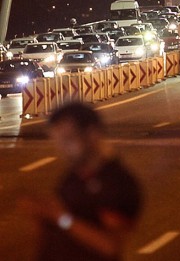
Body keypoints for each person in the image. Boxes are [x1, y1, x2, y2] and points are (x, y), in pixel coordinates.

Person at [18, 102, 142, 261]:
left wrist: (60, 217)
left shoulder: (118, 183)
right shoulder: (72, 178)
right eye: (59, 142)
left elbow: (110, 245)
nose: (62, 148)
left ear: (92, 134)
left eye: (68, 140)